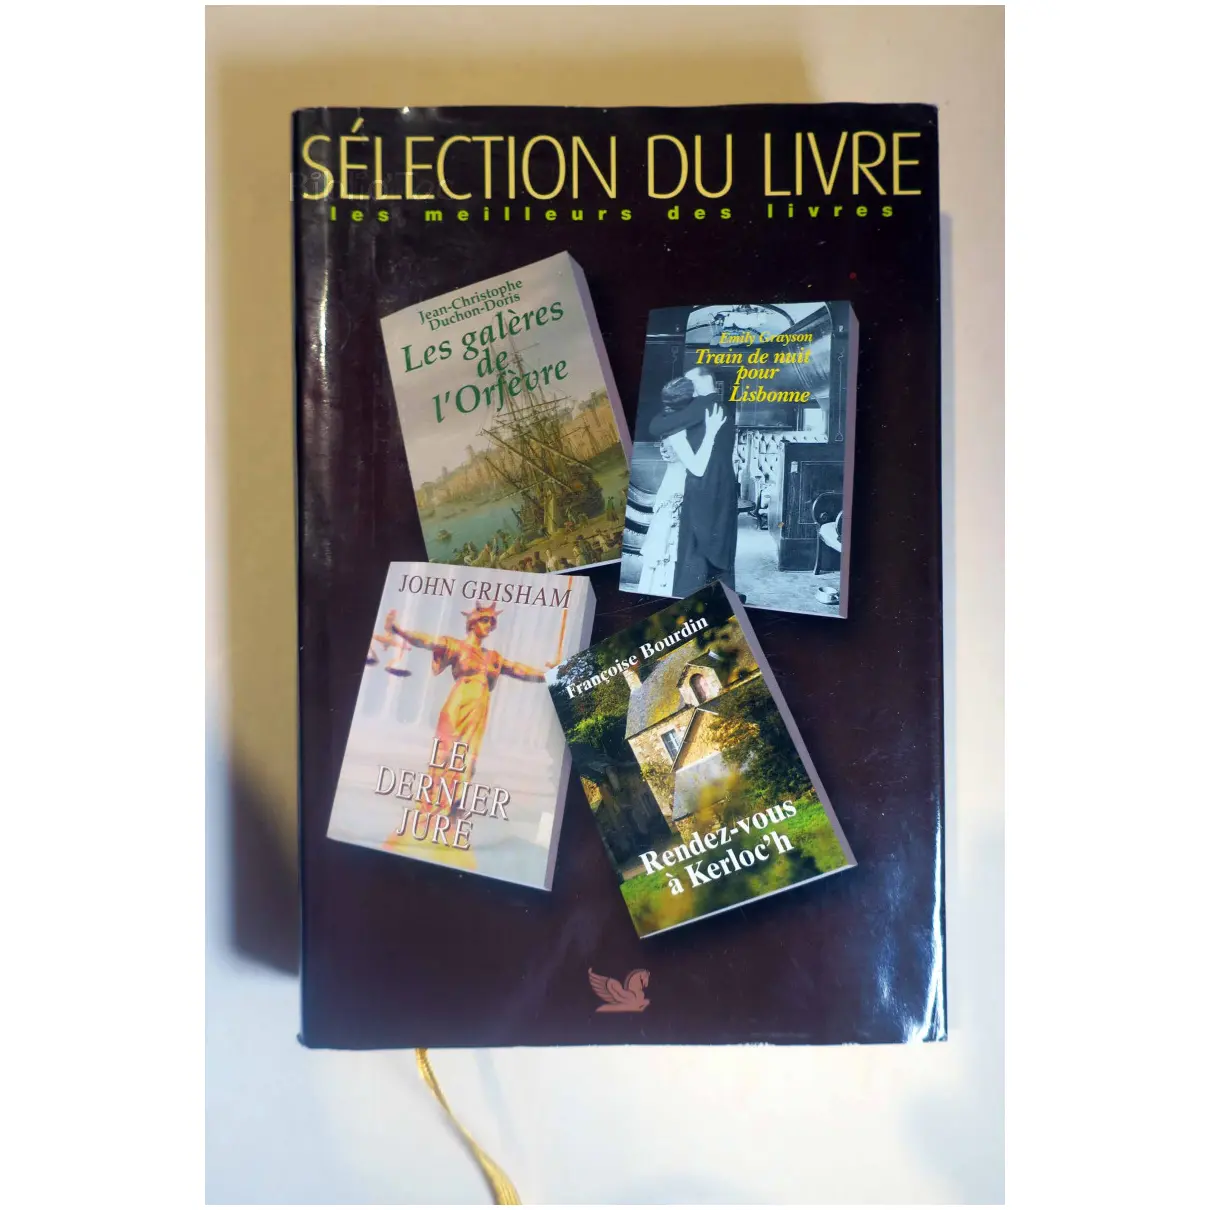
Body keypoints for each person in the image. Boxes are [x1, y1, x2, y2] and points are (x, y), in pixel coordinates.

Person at [385, 602, 554, 809]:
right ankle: (432, 802)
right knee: (445, 751)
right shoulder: (455, 646)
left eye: (492, 623)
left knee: (468, 757)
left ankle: (451, 804)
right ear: (473, 623)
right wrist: (398, 630)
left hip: (478, 708)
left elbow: (518, 670)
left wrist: (550, 675)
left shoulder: (493, 657)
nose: (489, 626)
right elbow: (426, 641)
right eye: (485, 620)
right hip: (458, 703)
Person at [648, 366, 739, 597]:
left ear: (703, 380)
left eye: (689, 382)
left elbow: (656, 427)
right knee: (722, 547)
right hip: (726, 485)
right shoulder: (723, 407)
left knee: (695, 548)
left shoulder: (701, 406)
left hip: (702, 484)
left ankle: (693, 598)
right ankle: (724, 597)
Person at [638, 400, 726, 595]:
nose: (664, 450)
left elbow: (699, 468)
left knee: (679, 555)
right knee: (664, 553)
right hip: (671, 502)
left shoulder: (685, 434)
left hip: (682, 501)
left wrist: (710, 433)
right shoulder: (675, 432)